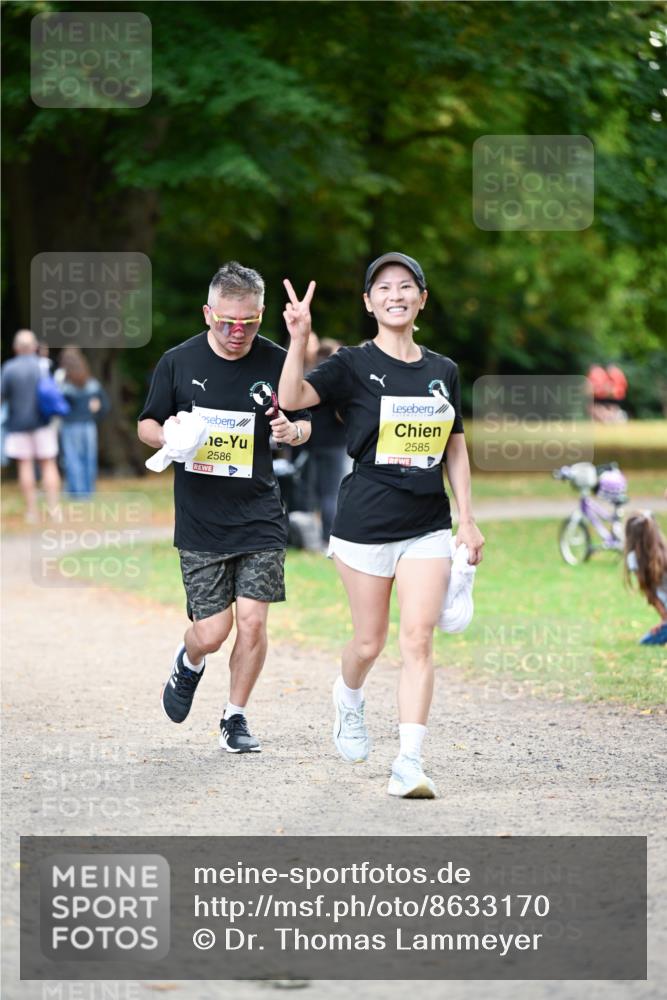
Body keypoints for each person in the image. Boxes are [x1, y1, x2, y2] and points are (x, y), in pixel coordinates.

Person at [279, 252, 485, 798]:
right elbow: (292, 399)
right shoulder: (351, 364)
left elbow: (455, 446)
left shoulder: (443, 371)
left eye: (406, 285)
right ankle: (348, 698)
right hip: (365, 523)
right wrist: (298, 338)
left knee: (418, 639)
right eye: (384, 288)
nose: (396, 294)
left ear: (422, 298)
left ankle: (409, 763)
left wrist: (466, 519)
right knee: (369, 644)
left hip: (427, 525)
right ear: (369, 303)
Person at [137, 261, 311, 753]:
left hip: (260, 514)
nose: (238, 332)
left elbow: (305, 422)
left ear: (261, 315)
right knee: (213, 632)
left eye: (249, 322)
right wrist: (168, 436)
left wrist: (293, 431)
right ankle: (189, 659)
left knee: (253, 622)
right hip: (201, 520)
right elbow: (146, 424)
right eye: (227, 322)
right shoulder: (178, 362)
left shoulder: (277, 361)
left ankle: (235, 716)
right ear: (207, 313)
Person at [0, 329, 61, 522]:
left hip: (17, 424)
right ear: (34, 347)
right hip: (43, 423)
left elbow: (2, 396)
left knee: (25, 465)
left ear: (16, 348)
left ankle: (32, 511)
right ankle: (54, 510)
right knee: (48, 464)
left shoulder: (9, 368)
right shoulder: (42, 366)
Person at [301, 338, 349, 547]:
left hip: (313, 442)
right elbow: (342, 416)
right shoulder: (336, 381)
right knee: (331, 492)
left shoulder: (312, 378)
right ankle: (328, 536)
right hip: (334, 443)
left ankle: (312, 536)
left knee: (315, 491)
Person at [59, 348, 110, 498]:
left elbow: (58, 405)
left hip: (70, 425)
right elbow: (105, 406)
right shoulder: (92, 383)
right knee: (89, 458)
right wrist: (95, 415)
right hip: (89, 425)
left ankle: (77, 492)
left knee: (72, 458)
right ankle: (88, 491)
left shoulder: (63, 384)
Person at [624, 511, 667, 646]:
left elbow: (651, 595)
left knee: (645, 642)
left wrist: (664, 620)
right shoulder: (664, 551)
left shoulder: (633, 559)